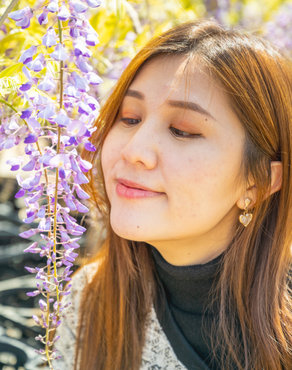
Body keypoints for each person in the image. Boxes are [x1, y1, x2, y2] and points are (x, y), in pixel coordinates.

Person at [53, 19, 292, 370]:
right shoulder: (90, 299)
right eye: (129, 118)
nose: (135, 150)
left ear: (256, 184)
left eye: (181, 131)